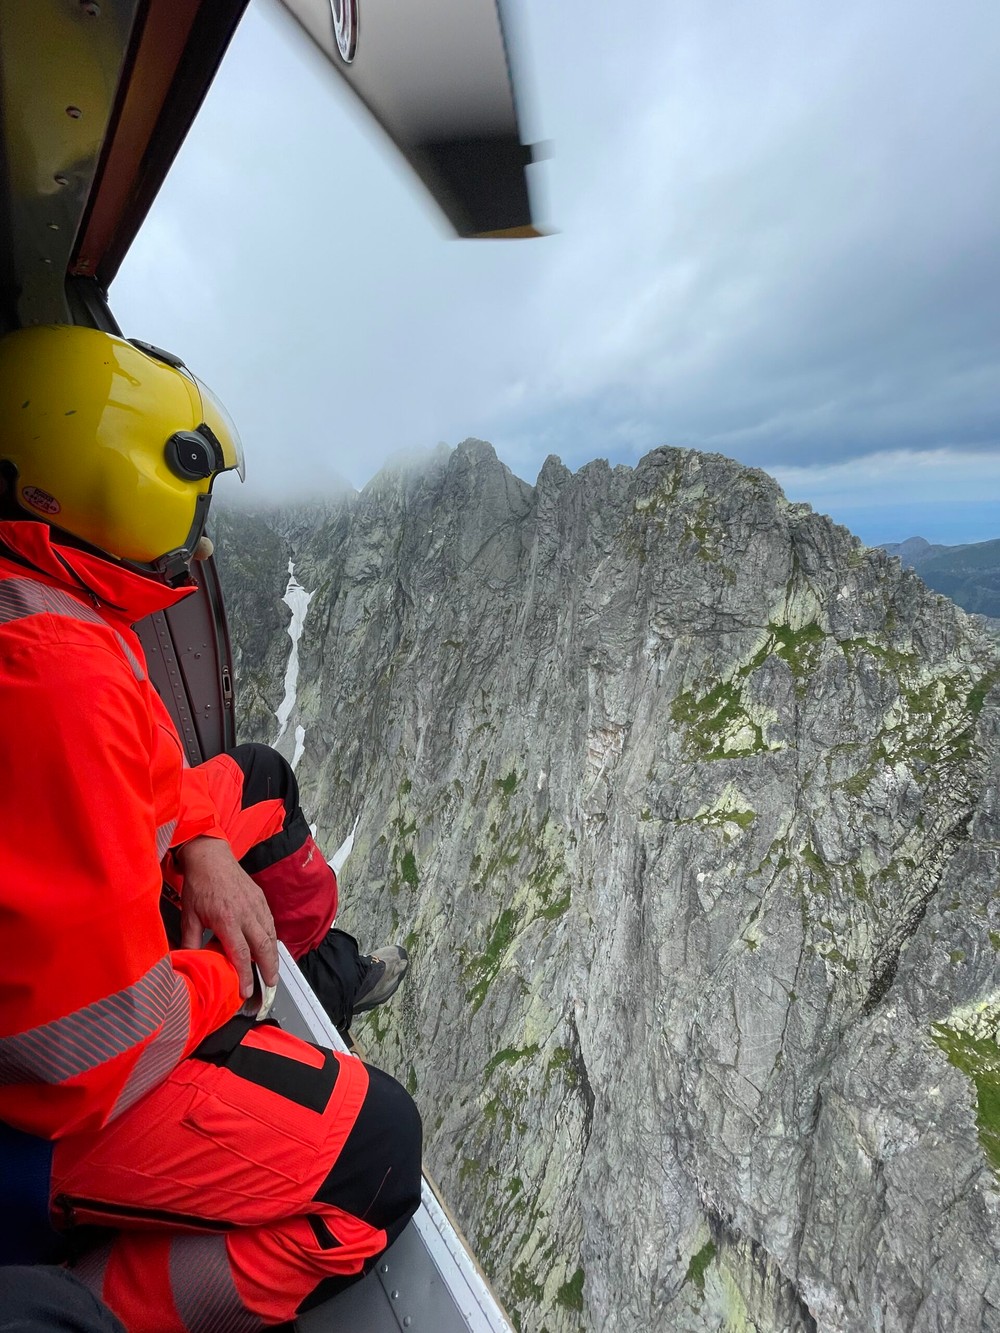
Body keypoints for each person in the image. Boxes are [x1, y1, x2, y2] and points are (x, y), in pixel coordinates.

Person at [0, 325, 422, 1331]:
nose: (195, 525)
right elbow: (84, 1050)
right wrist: (233, 977)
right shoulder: (57, 678)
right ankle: (92, 1301)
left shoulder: (53, 602)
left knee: (258, 787)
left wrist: (203, 850)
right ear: (116, 476)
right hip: (51, 1115)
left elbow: (150, 779)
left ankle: (323, 971)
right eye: (190, 496)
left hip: (117, 961)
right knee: (377, 1157)